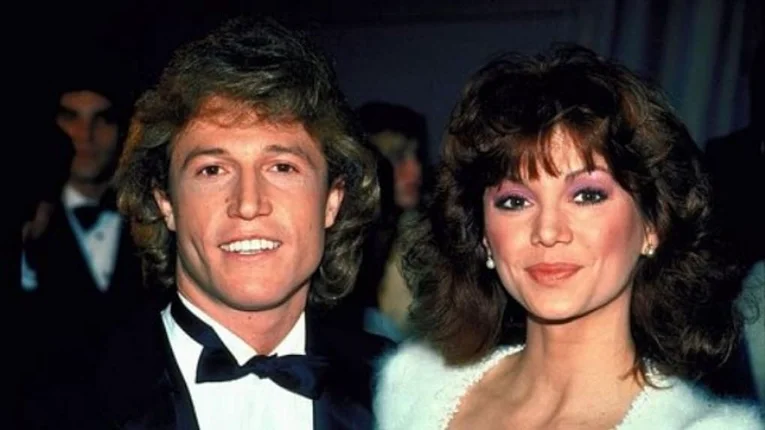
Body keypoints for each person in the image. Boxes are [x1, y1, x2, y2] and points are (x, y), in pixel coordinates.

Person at [20, 16, 389, 430]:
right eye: (213, 170)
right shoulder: (59, 404)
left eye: (282, 167)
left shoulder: (409, 394)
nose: (248, 204)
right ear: (165, 202)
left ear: (332, 201)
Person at [375, 45, 764, 429]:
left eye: (587, 196)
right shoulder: (412, 386)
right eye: (515, 201)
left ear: (652, 225)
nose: (547, 231)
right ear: (483, 236)